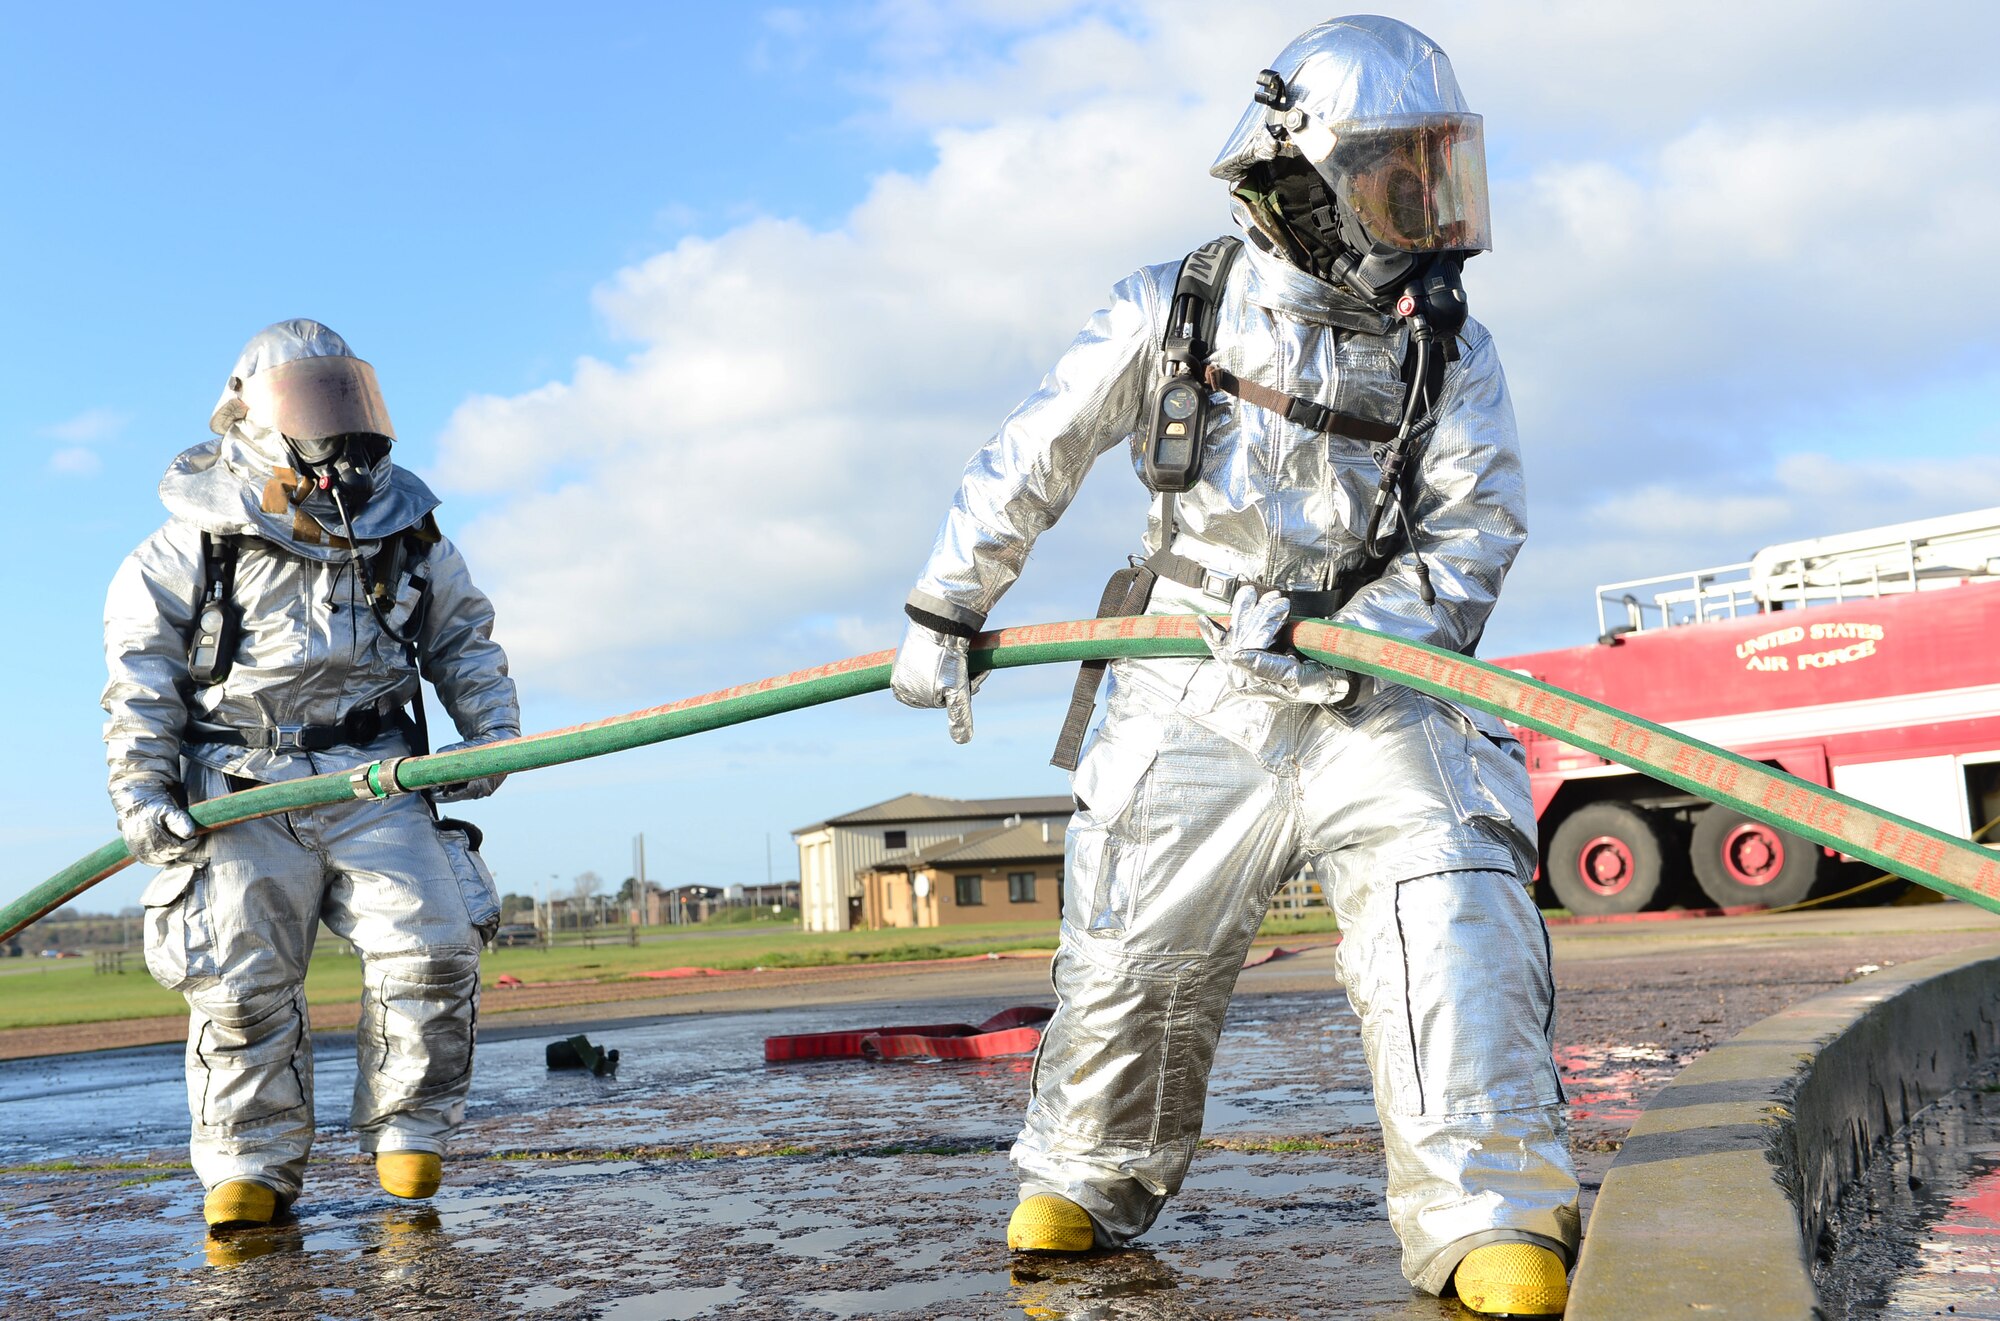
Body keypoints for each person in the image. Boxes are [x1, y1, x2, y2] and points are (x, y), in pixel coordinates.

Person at [890, 16, 1578, 1316]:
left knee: (1449, 903)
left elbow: (1473, 527)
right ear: (1305, 174)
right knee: (1132, 943)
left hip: (1380, 684)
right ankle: (1085, 1173)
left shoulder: (1451, 350)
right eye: (1394, 179)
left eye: (1434, 177)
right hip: (1188, 673)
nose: (1423, 212)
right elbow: (1036, 449)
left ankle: (1490, 1207)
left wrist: (1364, 634)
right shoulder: (1172, 307)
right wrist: (946, 603)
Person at [104, 320, 520, 1234]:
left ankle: (409, 1129)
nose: (339, 425)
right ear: (249, 413)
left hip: (376, 776)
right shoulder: (184, 548)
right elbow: (140, 683)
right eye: (313, 399)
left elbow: (462, 636)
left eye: (348, 396)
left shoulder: (408, 532)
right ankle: (247, 1163)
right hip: (239, 783)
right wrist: (142, 791)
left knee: (433, 946)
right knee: (239, 980)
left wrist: (491, 734)